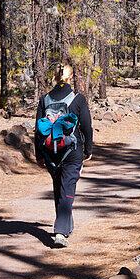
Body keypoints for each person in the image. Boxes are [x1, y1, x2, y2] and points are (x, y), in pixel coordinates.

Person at [34, 64, 93, 247]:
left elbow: (37, 129)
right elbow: (86, 127)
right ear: (71, 77)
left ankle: (66, 225)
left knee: (60, 188)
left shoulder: (44, 99)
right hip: (72, 151)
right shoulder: (78, 99)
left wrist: (39, 154)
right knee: (67, 189)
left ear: (55, 76)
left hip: (50, 151)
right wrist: (88, 150)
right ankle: (60, 232)